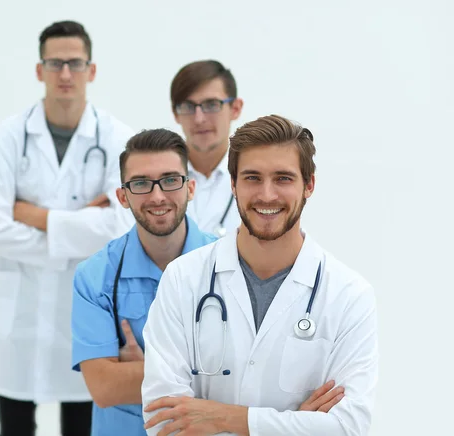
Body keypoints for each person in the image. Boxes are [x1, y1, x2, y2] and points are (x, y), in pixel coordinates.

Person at [141, 115, 379, 435]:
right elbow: (164, 422)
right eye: (252, 178)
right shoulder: (183, 279)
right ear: (233, 184)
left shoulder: (349, 296)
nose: (267, 195)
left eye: (283, 178)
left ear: (308, 184)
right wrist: (298, 424)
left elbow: (349, 427)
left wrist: (225, 418)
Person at [0, 20, 134, 436]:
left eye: (75, 63)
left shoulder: (117, 138)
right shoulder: (8, 137)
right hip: (19, 313)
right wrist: (84, 224)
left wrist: (35, 216)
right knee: (14, 426)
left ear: (91, 70)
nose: (65, 73)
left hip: (85, 312)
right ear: (39, 69)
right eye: (55, 63)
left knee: (82, 423)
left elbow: (119, 227)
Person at [70, 129, 217, 436]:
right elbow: (105, 387)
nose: (157, 196)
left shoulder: (229, 267)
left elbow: (248, 379)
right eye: (140, 184)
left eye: (170, 180)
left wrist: (144, 368)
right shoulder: (95, 277)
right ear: (123, 197)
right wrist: (204, 374)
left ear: (191, 187)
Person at [170, 60, 243, 237]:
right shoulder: (156, 180)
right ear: (176, 114)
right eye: (188, 106)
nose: (199, 119)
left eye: (211, 105)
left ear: (235, 109)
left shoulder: (254, 178)